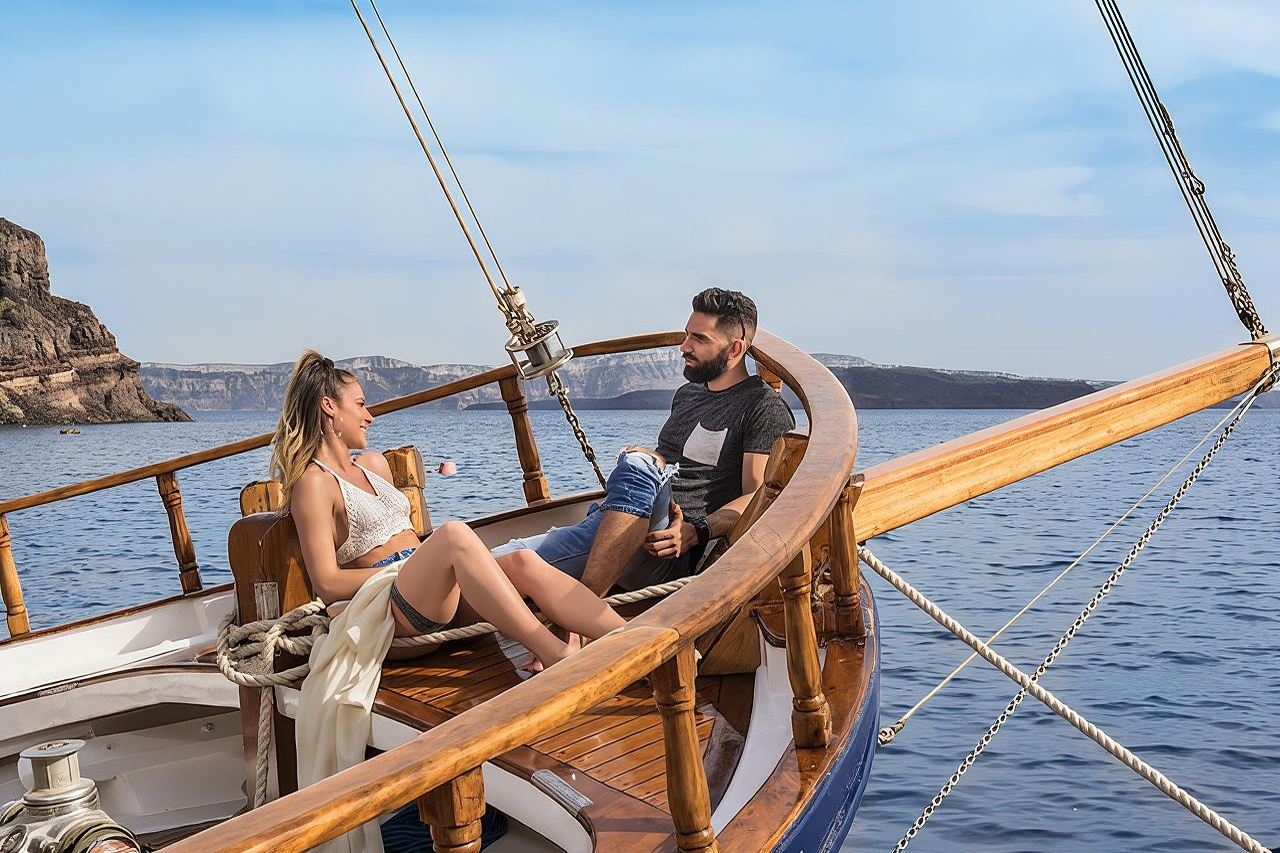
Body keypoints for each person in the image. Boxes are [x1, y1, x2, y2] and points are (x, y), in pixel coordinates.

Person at [272, 350, 625, 671]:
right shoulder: (314, 484)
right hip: (392, 610)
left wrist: (425, 567)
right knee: (454, 535)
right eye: (361, 405)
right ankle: (557, 655)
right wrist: (408, 569)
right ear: (329, 406)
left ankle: (634, 637)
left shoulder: (373, 465)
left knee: (523, 562)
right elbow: (328, 583)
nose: (369, 417)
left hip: (430, 590)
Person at [494, 287, 795, 595]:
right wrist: (651, 459)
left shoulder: (762, 407)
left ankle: (586, 601)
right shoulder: (687, 395)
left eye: (699, 339)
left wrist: (697, 531)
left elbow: (758, 495)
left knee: (640, 464)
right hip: (619, 519)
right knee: (496, 560)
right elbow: (672, 464)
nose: (684, 347)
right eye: (686, 334)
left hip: (667, 546)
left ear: (734, 350)